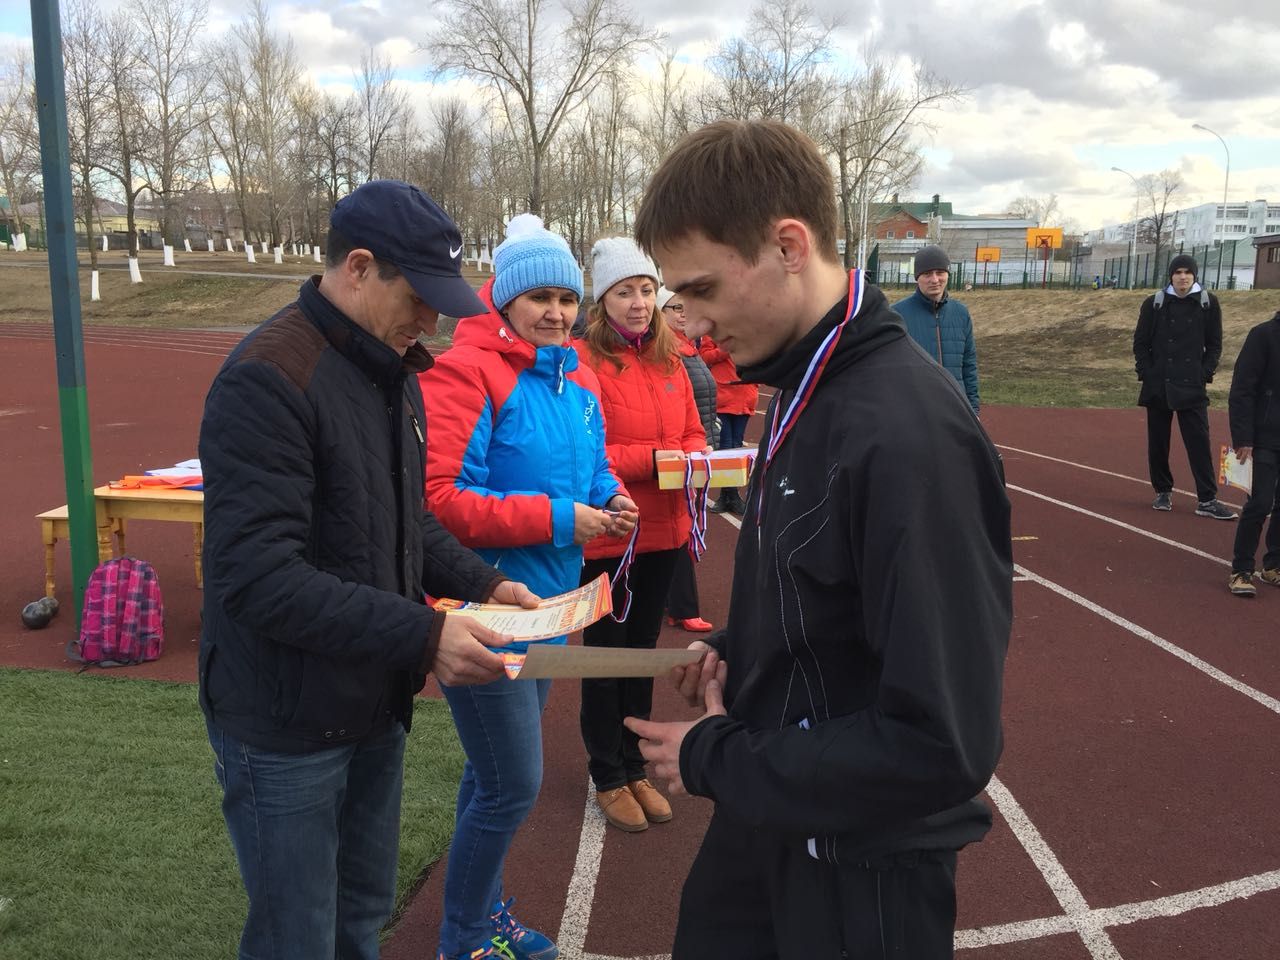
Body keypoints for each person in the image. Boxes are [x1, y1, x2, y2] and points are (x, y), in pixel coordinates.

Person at [625, 119, 1011, 959]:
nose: (685, 326)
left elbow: (939, 744)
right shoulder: (803, 385)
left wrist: (714, 760)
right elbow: (823, 593)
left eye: (699, 291)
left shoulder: (910, 436)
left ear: (788, 246)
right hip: (775, 827)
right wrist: (742, 647)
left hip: (858, 881)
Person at [198, 179, 542, 960]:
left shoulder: (394, 371)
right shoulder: (268, 377)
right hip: (284, 719)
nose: (433, 318)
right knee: (298, 937)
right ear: (358, 267)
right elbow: (258, 577)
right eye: (420, 295)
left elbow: (403, 516)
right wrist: (426, 635)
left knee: (360, 918)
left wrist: (484, 582)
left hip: (371, 697)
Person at [419, 214, 637, 960]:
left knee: (494, 778)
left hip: (551, 605)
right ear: (505, 300)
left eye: (568, 298)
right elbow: (439, 499)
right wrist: (556, 518)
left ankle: (479, 916)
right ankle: (466, 936)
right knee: (514, 784)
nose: (557, 312)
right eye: (540, 296)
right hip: (484, 609)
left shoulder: (575, 374)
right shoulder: (467, 370)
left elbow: (594, 465)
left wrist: (610, 501)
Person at [574, 237, 707, 833]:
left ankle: (635, 765)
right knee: (606, 656)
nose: (638, 302)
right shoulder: (584, 362)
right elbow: (589, 453)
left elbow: (695, 433)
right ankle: (607, 772)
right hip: (612, 534)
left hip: (665, 532)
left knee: (643, 653)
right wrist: (661, 459)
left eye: (647, 290)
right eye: (624, 291)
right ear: (603, 301)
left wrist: (701, 458)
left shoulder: (672, 359)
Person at [1133, 254, 1237, 519]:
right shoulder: (1154, 304)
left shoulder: (1208, 304)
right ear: (1171, 276)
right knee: (1158, 443)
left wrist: (1204, 372)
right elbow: (1141, 342)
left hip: (1192, 384)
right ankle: (1163, 491)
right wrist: (1147, 371)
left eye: (1187, 272)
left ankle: (1207, 499)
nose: (1182, 277)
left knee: (1199, 442)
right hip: (1160, 384)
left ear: (1194, 275)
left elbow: (1214, 344)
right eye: (1177, 272)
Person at [658, 285, 718, 633]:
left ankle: (674, 601)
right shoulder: (667, 353)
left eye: (686, 306)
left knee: (684, 527)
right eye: (674, 307)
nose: (683, 313)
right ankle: (681, 605)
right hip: (678, 453)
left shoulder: (689, 349)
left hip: (698, 446)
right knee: (676, 528)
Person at [1226, 307, 1280, 597]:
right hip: (1263, 437)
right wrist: (1243, 436)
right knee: (1260, 503)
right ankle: (1241, 569)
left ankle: (1273, 566)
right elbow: (1242, 389)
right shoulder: (1263, 336)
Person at [892, 244, 981, 414]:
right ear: (917, 277)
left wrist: (973, 410)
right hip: (916, 410)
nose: (934, 280)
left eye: (940, 272)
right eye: (927, 274)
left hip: (956, 409)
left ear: (947, 274)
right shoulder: (897, 315)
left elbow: (969, 366)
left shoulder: (961, 313)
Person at [700, 331, 758, 515]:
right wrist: (725, 349)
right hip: (724, 397)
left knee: (736, 446)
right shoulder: (715, 330)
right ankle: (729, 495)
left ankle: (730, 496)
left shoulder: (751, 330)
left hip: (744, 395)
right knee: (726, 447)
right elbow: (705, 356)